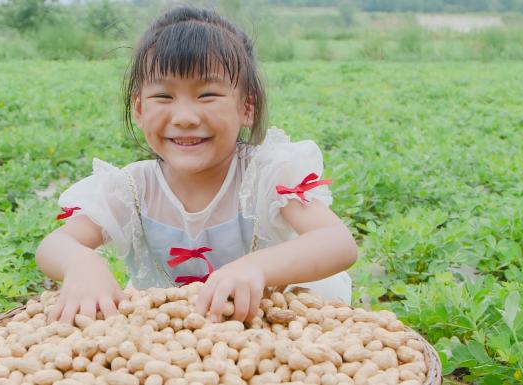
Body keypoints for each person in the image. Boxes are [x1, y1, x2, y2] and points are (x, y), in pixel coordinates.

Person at [35, 6, 358, 325]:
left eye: (207, 95)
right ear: (139, 108)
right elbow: (56, 243)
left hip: (266, 323)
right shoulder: (132, 188)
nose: (185, 118)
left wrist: (255, 267)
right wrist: (81, 262)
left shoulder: (266, 174)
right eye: (163, 96)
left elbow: (337, 243)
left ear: (247, 107)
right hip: (174, 335)